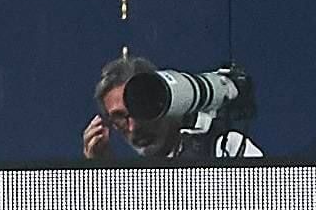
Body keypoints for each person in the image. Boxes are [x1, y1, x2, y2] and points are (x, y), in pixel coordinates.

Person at [83, 55, 262, 160]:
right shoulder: (129, 182)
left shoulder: (226, 147)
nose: (133, 127)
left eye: (141, 110)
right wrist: (102, 174)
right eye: (120, 117)